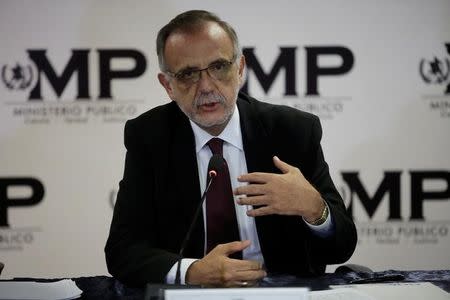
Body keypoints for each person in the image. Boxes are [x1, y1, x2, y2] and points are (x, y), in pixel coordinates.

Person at [105, 10, 357, 288]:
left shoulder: (292, 131)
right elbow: (122, 250)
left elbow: (342, 246)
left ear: (239, 69)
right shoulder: (150, 137)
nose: (206, 86)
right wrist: (192, 271)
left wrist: (314, 208)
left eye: (219, 67)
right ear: (168, 85)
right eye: (188, 74)